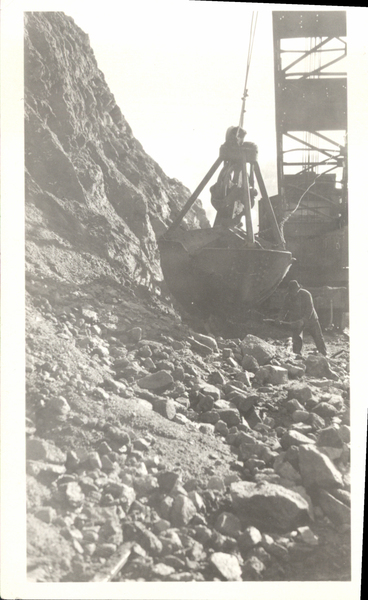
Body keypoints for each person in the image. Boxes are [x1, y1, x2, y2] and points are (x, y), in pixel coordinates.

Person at [278, 280, 327, 356]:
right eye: (291, 292)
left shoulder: (306, 294)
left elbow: (309, 309)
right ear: (290, 290)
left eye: (295, 291)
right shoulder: (288, 297)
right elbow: (284, 309)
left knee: (318, 337)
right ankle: (297, 355)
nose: (293, 293)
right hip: (297, 321)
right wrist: (279, 318)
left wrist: (303, 320)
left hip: (311, 319)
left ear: (298, 289)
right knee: (296, 339)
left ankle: (323, 354)